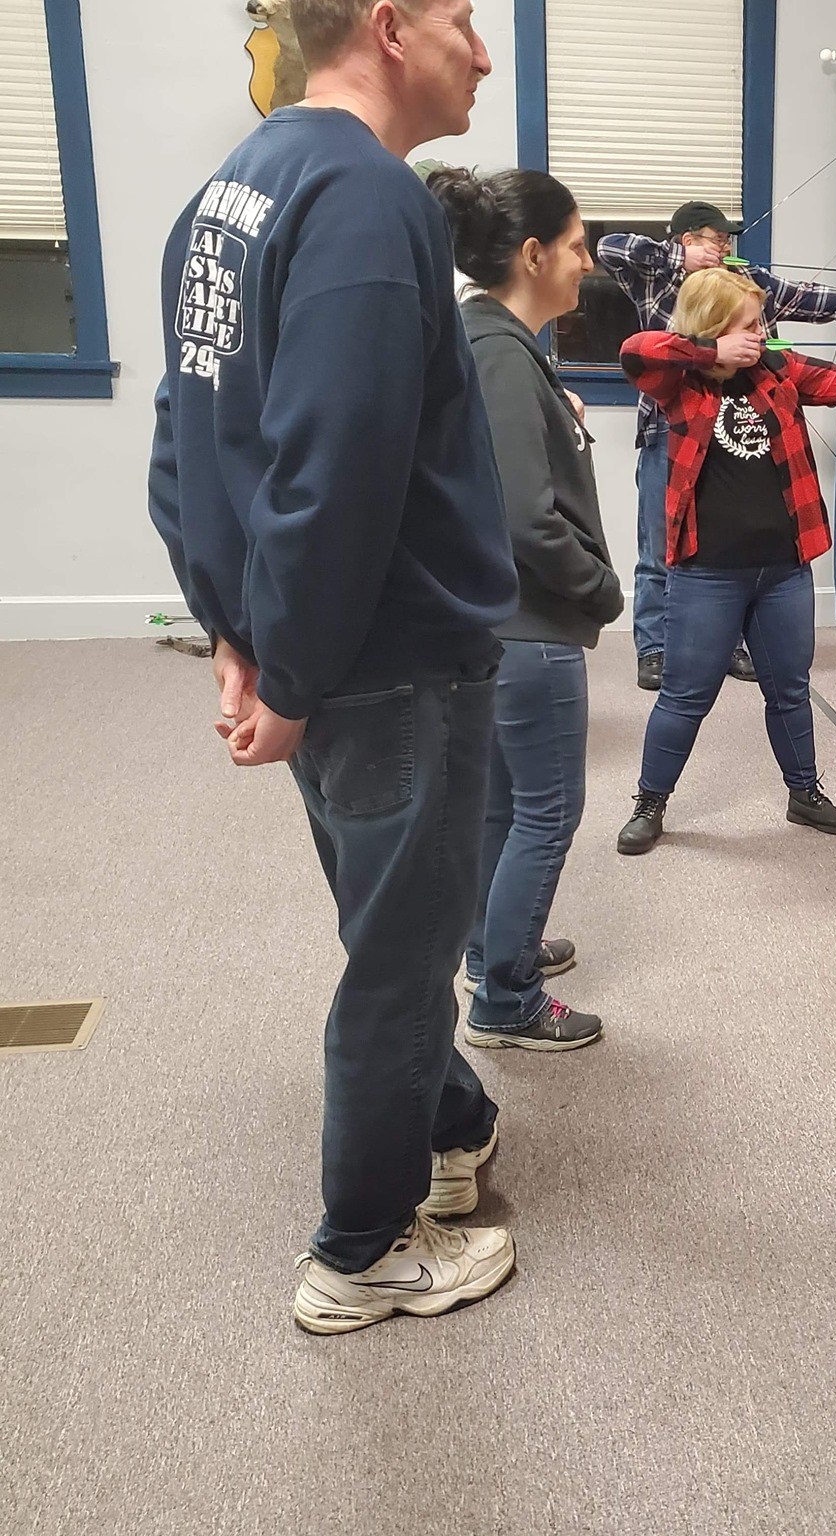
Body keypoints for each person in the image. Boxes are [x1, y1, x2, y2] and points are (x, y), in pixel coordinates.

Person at [147, 0, 519, 1335]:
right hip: (392, 665)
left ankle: (455, 1123)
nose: (484, 50)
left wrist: (240, 640)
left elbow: (183, 447)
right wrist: (286, 673)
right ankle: (361, 1252)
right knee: (401, 965)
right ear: (388, 26)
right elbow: (337, 470)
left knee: (391, 925)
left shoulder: (227, 195)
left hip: (325, 658)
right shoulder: (369, 202)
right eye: (466, 20)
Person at [614, 267, 836, 854]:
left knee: (789, 689)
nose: (764, 331)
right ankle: (650, 802)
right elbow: (635, 350)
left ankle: (804, 794)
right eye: (751, 324)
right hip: (707, 573)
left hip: (783, 568)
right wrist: (711, 351)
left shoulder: (777, 370)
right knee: (685, 694)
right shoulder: (677, 382)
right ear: (715, 329)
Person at [428, 164, 623, 1052]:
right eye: (578, 247)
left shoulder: (487, 341)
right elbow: (520, 515)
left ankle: (492, 949)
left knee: (503, 811)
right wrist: (598, 583)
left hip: (493, 627)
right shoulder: (501, 354)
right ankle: (505, 1000)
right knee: (547, 814)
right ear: (534, 252)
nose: (587, 264)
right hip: (530, 629)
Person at [597, 203, 836, 691]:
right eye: (711, 238)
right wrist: (685, 272)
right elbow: (609, 249)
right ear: (683, 238)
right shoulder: (656, 274)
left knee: (733, 537)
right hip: (671, 426)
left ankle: (730, 641)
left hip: (736, 421)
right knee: (660, 546)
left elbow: (808, 299)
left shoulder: (743, 282)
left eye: (725, 240)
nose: (722, 247)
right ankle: (655, 648)